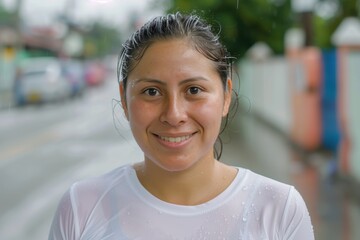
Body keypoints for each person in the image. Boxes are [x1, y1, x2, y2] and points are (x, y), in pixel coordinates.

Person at [48, 12, 314, 240]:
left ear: (225, 96)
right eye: (152, 92)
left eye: (194, 89)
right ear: (124, 100)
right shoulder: (82, 208)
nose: (174, 115)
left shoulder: (278, 209)